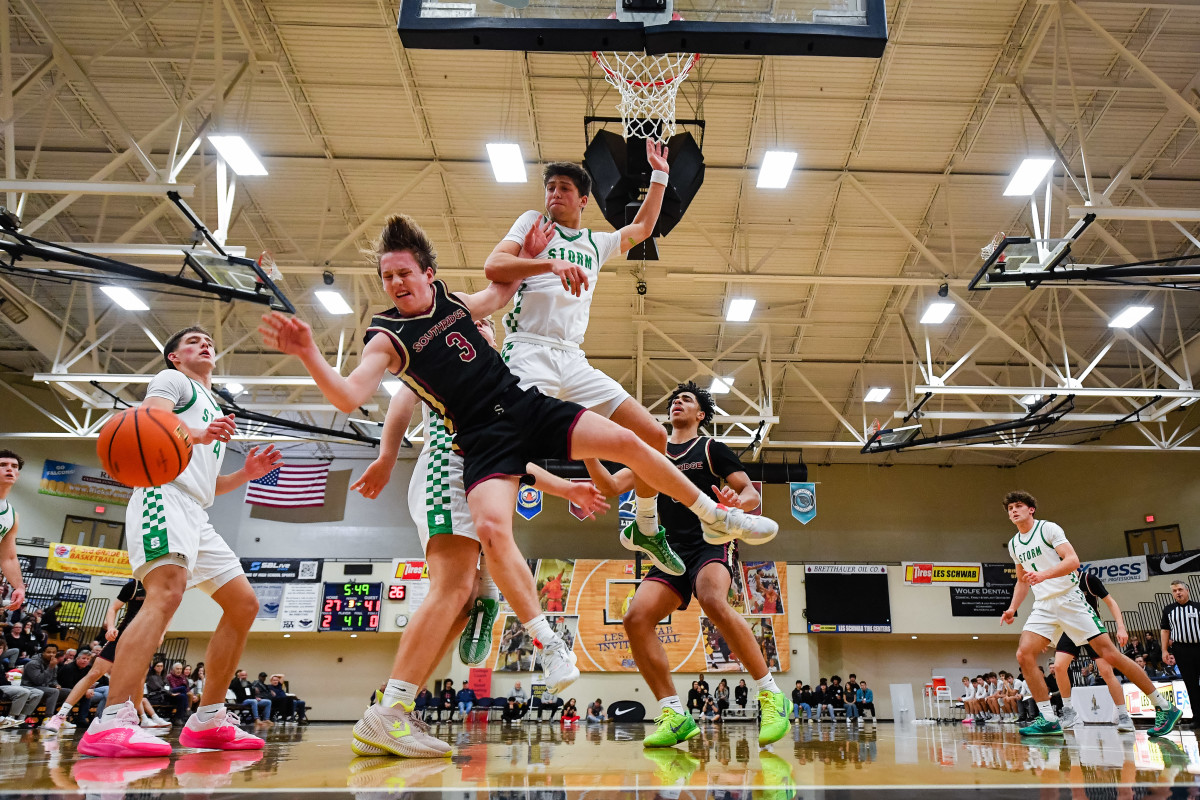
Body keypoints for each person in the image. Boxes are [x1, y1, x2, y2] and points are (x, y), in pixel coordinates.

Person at [259, 214, 777, 757]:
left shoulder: (457, 306)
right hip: (475, 444)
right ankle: (543, 640)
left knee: (629, 443)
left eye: (403, 273)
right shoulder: (388, 338)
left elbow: (501, 289)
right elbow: (352, 396)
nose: (395, 284)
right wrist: (309, 354)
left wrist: (537, 254)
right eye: (387, 277)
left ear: (428, 275)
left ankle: (714, 514)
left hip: (524, 410)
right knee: (483, 542)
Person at [350, 313, 610, 729]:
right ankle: (388, 712)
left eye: (489, 323)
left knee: (463, 600)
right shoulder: (440, 362)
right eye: (476, 321)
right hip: (445, 472)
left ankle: (397, 703)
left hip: (478, 478)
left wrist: (565, 488)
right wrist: (386, 458)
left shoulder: (498, 384)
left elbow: (509, 460)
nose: (483, 325)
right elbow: (401, 404)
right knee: (451, 589)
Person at [78, 327, 283, 758]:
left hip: (195, 510)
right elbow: (149, 424)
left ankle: (208, 720)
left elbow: (208, 483)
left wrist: (246, 474)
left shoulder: (214, 406)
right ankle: (111, 721)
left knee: (243, 603)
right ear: (174, 357)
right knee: (166, 596)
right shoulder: (174, 383)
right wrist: (199, 433)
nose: (204, 344)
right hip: (161, 495)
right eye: (192, 341)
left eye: (208, 341)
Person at [484, 146, 685, 577]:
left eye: (564, 188)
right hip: (527, 349)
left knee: (654, 436)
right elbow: (494, 266)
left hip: (572, 359)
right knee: (503, 451)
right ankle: (485, 574)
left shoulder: (597, 242)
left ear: (583, 200)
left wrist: (660, 176)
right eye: (550, 188)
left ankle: (646, 528)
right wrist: (547, 262)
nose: (554, 194)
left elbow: (644, 227)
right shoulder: (533, 225)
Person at [585, 381, 786, 750]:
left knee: (712, 599)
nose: (677, 402)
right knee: (635, 618)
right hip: (669, 549)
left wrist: (736, 502)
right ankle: (673, 713)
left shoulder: (710, 448)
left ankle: (771, 695)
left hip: (709, 542)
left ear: (700, 415)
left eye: (687, 399)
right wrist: (586, 451)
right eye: (674, 399)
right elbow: (611, 485)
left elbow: (750, 493)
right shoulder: (649, 452)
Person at [1000, 490, 1180, 737]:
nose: (1013, 511)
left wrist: (1043, 575)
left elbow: (1073, 561)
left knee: (1111, 656)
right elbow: (1022, 580)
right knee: (1024, 655)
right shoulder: (1014, 544)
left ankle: (1164, 706)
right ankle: (1049, 719)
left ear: (1031, 509)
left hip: (1070, 600)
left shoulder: (1048, 529)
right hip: (1043, 605)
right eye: (1010, 508)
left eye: (1018, 506)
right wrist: (1012, 608)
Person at [45, 578, 146, 733]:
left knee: (139, 680)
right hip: (122, 636)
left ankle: (138, 720)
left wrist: (162, 633)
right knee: (94, 673)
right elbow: (113, 608)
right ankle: (60, 715)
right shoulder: (134, 585)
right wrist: (111, 627)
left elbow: (167, 615)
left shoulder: (164, 588)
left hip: (144, 640)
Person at [1051, 571, 1135, 732]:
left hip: (1091, 627)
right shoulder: (1059, 582)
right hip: (1070, 629)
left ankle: (1123, 715)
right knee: (1059, 666)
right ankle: (1068, 711)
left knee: (1106, 672)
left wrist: (1121, 626)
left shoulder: (1088, 579)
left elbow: (1110, 601)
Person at [1161, 579, 1200, 729]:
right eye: (1174, 591)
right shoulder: (1169, 610)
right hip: (1182, 650)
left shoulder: (1198, 607)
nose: (1177, 593)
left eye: (1180, 590)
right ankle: (1197, 718)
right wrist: (1164, 650)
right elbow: (1165, 630)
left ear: (1187, 591)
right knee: (1191, 685)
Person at [0, 450, 27, 643]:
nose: (10, 469)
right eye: (3, 465)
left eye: (14, 466)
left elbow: (8, 557)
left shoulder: (11, 515)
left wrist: (18, 586)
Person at [23, 643, 62, 729]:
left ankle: (62, 719)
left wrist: (56, 684)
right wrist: (50, 667)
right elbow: (38, 681)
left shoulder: (53, 663)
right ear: (43, 652)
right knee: (53, 692)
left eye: (54, 652)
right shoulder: (33, 663)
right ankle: (48, 719)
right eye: (48, 652)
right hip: (30, 687)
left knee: (68, 692)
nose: (51, 654)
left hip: (44, 687)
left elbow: (53, 679)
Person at [0, 660, 39, 728]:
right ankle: (11, 718)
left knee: (38, 693)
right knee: (24, 692)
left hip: (8, 684)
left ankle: (22, 719)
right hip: (3, 685)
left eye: (1, 649)